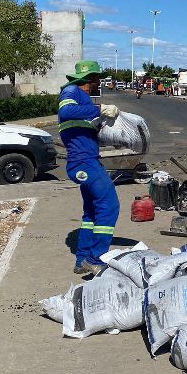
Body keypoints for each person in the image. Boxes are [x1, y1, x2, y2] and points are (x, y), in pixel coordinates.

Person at [58, 60, 121, 275]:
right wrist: (100, 108)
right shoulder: (71, 90)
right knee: (109, 205)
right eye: (97, 78)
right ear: (90, 79)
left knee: (92, 212)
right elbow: (65, 113)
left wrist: (96, 124)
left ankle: (82, 259)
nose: (99, 82)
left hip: (86, 160)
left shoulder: (83, 99)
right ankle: (96, 259)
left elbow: (76, 126)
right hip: (83, 162)